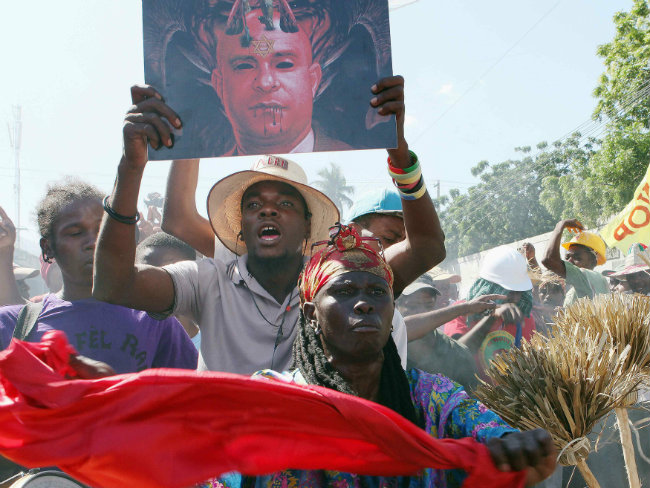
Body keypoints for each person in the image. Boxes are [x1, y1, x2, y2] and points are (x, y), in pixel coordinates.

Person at [95, 75, 445, 374]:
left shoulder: (336, 282)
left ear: (309, 228)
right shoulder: (208, 279)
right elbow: (114, 285)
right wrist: (131, 166)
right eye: (254, 205)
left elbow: (426, 247)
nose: (268, 211)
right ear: (239, 228)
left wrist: (400, 156)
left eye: (286, 203)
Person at [198, 224, 556, 487]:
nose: (364, 302)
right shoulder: (272, 402)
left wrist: (514, 443)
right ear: (311, 314)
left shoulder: (429, 396)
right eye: (344, 290)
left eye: (376, 291)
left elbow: (484, 426)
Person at [0, 180, 197, 374]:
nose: (93, 242)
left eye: (103, 230)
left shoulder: (154, 320)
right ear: (48, 248)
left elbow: (192, 398)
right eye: (76, 233)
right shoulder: (12, 324)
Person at [443, 246, 536, 375]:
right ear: (488, 288)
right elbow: (457, 358)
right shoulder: (461, 311)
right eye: (509, 292)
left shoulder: (522, 316)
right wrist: (492, 317)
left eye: (518, 292)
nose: (515, 299)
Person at [135, 232, 202, 349]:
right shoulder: (125, 342)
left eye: (170, 275)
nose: (157, 287)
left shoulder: (214, 344)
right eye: (147, 277)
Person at [541, 219, 609, 306]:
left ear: (593, 261)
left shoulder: (586, 277)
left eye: (577, 257)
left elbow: (548, 260)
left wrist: (560, 225)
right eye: (567, 257)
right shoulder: (575, 288)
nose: (569, 261)